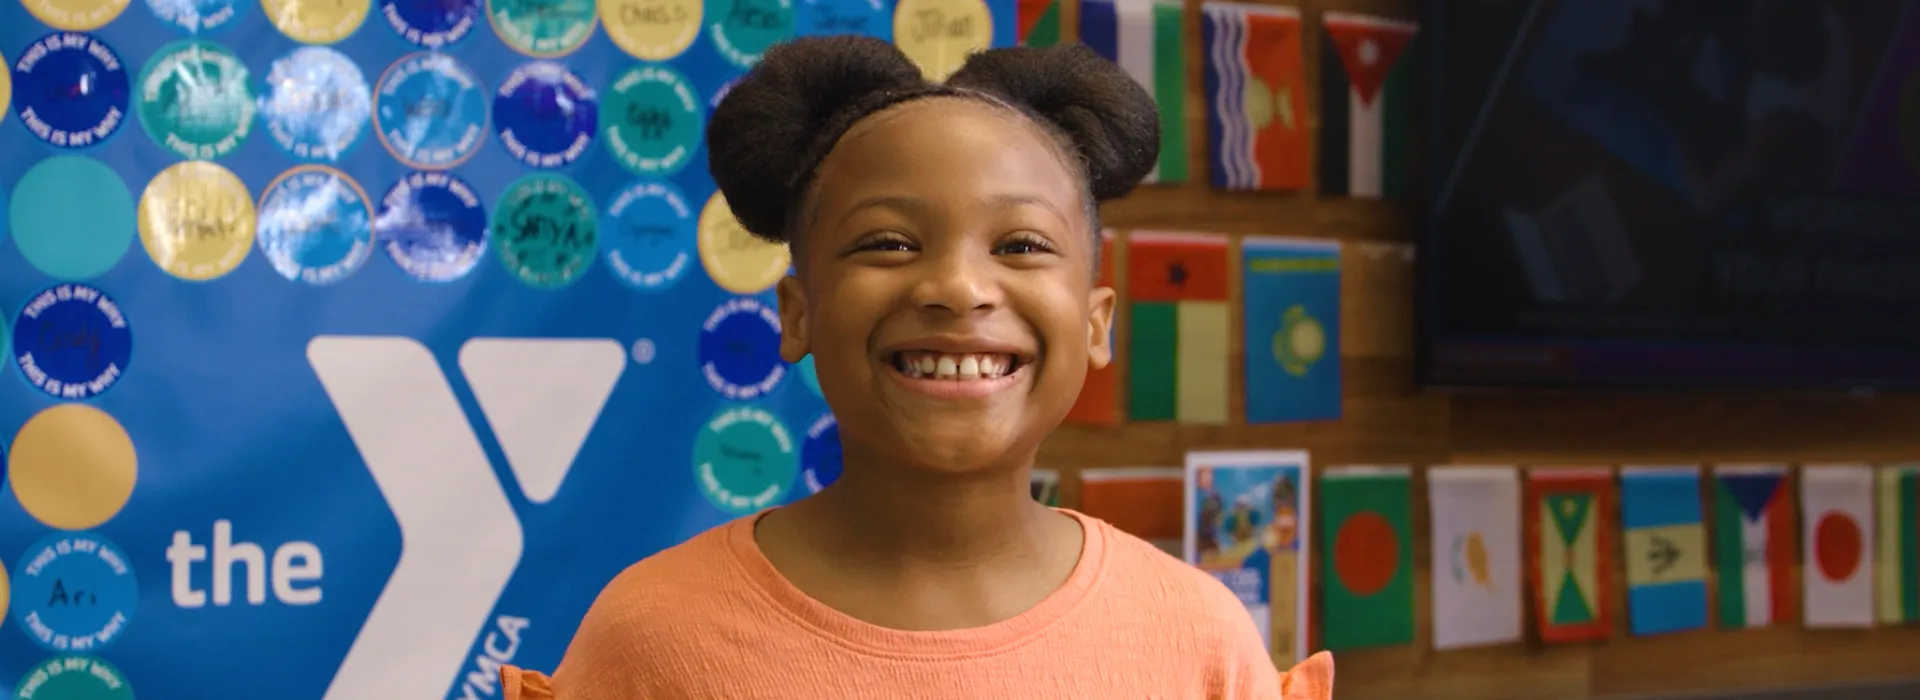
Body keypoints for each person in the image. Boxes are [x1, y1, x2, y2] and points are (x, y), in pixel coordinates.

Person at [499, 35, 1334, 699]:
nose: (958, 287)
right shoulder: (653, 638)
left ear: (1094, 323)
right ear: (798, 315)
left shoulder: (1198, 640)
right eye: (888, 243)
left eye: (1021, 245)